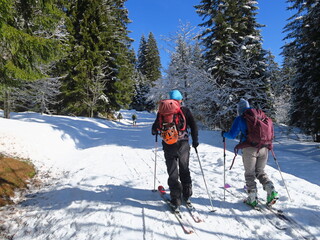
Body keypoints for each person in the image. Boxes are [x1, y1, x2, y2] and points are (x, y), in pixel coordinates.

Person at [222, 98, 278, 207]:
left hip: (249, 148)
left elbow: (232, 135)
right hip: (264, 147)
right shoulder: (262, 117)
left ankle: (252, 198)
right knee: (260, 171)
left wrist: (224, 134)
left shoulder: (241, 118)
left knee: (249, 173)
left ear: (239, 109)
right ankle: (271, 190)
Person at [152, 90, 199, 209]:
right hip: (183, 144)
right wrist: (195, 140)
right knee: (184, 168)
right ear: (180, 100)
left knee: (172, 171)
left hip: (168, 145)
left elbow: (155, 127)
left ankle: (176, 198)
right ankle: (187, 194)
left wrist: (157, 131)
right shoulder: (185, 110)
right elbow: (193, 126)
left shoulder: (162, 111)